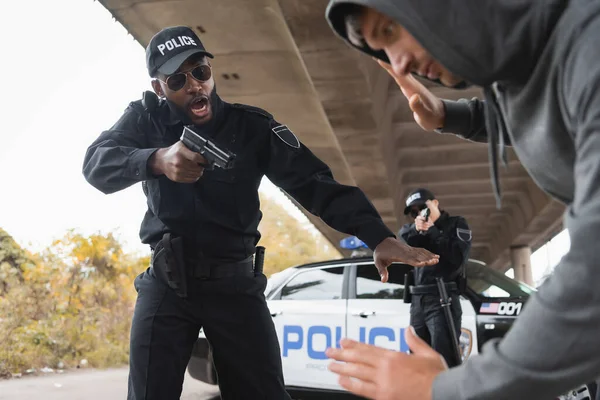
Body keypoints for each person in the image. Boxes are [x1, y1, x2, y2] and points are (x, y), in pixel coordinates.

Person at [82, 25, 439, 400]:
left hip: (235, 284)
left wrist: (377, 237)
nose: (195, 86)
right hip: (167, 282)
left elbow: (314, 183)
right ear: (159, 88)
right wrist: (156, 159)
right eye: (177, 79)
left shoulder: (252, 126)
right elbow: (96, 164)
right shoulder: (145, 120)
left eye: (201, 72)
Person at [321, 0, 600, 399]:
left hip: (445, 302)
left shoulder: (589, 44)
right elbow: (539, 102)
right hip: (421, 303)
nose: (396, 64)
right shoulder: (536, 57)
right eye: (381, 50)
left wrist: (446, 390)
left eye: (389, 31)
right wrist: (451, 116)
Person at [399, 188, 471, 368]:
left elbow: (457, 258)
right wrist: (418, 230)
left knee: (443, 359)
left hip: (442, 297)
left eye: (423, 207)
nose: (420, 213)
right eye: (414, 212)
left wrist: (434, 233)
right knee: (417, 359)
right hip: (418, 301)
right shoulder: (414, 231)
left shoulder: (457, 224)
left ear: (435, 203)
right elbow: (404, 240)